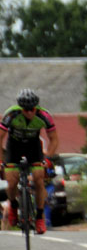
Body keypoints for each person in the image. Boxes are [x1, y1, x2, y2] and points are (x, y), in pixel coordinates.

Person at [0, 89, 58, 235]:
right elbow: (0, 138)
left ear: (36, 107)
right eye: (26, 110)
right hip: (14, 146)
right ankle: (13, 205)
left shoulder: (44, 115)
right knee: (12, 182)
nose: (30, 113)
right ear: (21, 108)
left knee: (39, 179)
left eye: (32, 109)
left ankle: (39, 217)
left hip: (34, 146)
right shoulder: (11, 114)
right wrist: (1, 160)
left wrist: (48, 158)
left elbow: (54, 139)